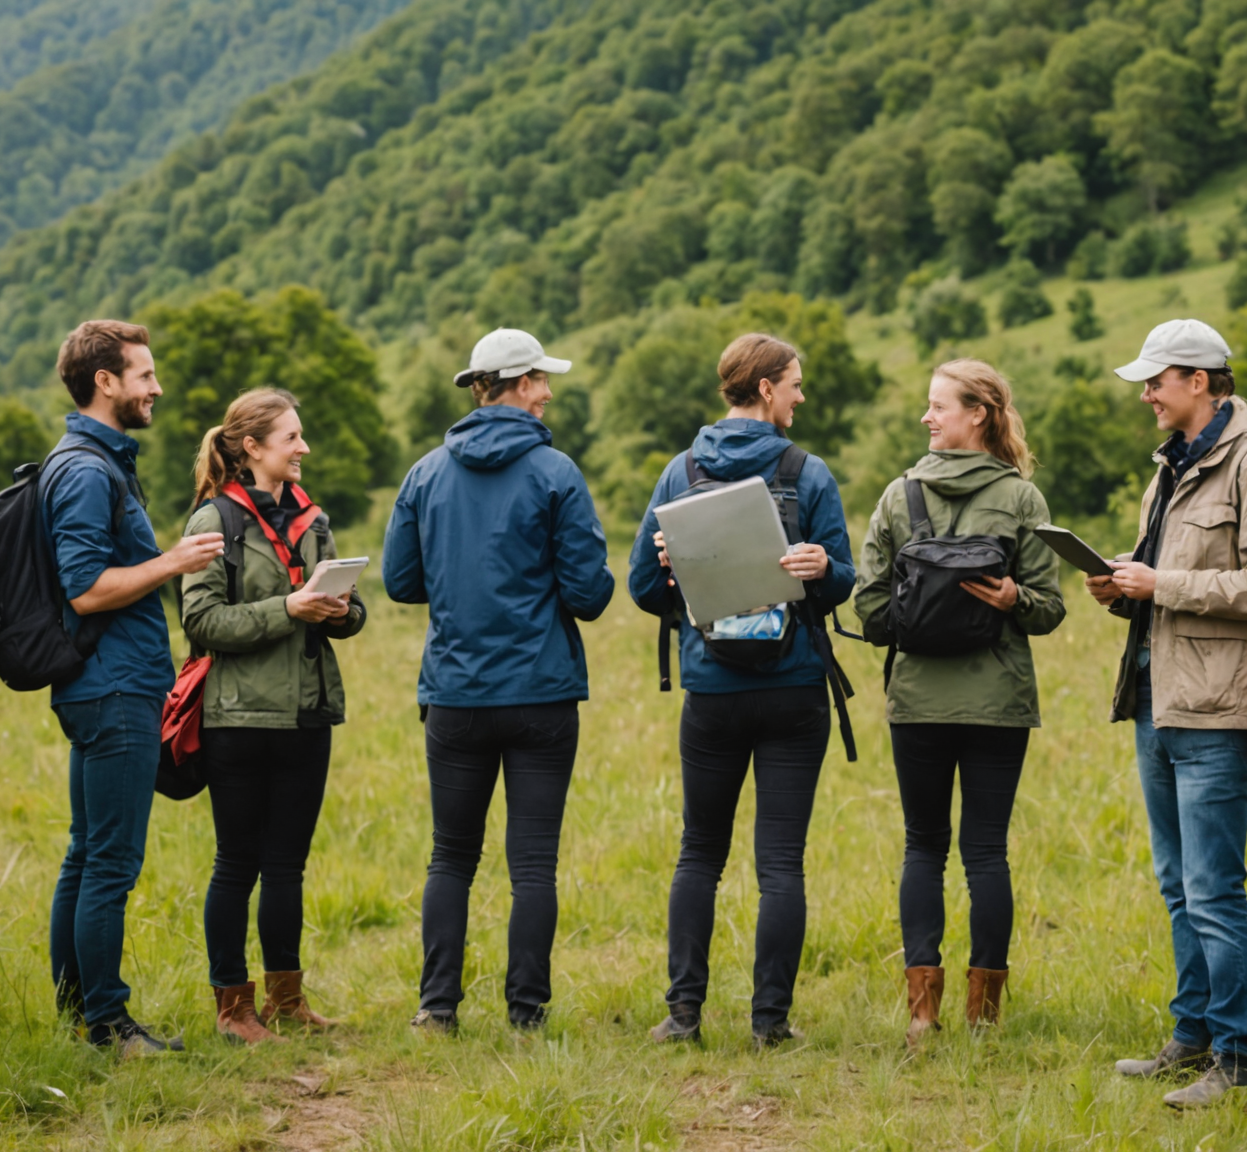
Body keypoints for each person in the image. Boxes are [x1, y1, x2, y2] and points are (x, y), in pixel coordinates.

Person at [1085, 319, 1247, 1106]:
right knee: (1178, 883)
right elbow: (1166, 583)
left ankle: (1238, 1060)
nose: (1146, 393)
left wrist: (1161, 587)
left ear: (1202, 380)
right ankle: (1192, 1037)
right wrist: (1123, 587)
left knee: (1213, 886)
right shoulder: (1169, 470)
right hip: (1161, 695)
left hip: (1223, 707)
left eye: (1157, 380)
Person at [627, 332, 857, 1050]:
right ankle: (769, 1025)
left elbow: (642, 586)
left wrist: (677, 572)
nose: (801, 395)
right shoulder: (806, 471)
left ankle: (683, 1016)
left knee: (699, 852)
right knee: (780, 860)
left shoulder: (680, 472)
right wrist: (821, 567)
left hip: (712, 690)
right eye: (794, 383)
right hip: (794, 691)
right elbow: (842, 582)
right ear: (764, 388)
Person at [382, 328, 614, 1034]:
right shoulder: (556, 473)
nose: (548, 394)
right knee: (533, 862)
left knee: (451, 855)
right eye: (541, 381)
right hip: (542, 693)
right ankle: (526, 1014)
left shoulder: (425, 474)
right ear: (515, 384)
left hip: (456, 693)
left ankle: (437, 1008)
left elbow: (399, 581)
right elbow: (590, 595)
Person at [851, 359, 1065, 1047]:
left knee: (923, 845)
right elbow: (1049, 611)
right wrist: (1011, 602)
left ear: (978, 414)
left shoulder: (897, 496)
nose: (926, 417)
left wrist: (917, 617)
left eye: (938, 406)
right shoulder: (1023, 500)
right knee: (985, 851)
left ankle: (922, 1010)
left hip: (916, 701)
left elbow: (871, 609)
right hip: (998, 702)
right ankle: (985, 1014)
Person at [45, 320, 224, 1056]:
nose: (156, 387)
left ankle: (75, 1011)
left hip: (105, 684)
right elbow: (85, 588)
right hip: (113, 688)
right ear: (105, 382)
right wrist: (174, 561)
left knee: (86, 853)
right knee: (110, 860)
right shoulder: (88, 470)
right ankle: (109, 1024)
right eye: (144, 375)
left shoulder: (95, 460)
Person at [179, 388, 364, 1045]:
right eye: (292, 438)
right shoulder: (212, 524)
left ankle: (288, 1001)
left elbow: (349, 610)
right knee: (238, 863)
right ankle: (234, 1010)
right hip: (237, 720)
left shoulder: (313, 521)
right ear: (252, 447)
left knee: (289, 865)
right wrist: (288, 609)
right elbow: (200, 622)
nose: (304, 448)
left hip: (308, 715)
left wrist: (344, 611)